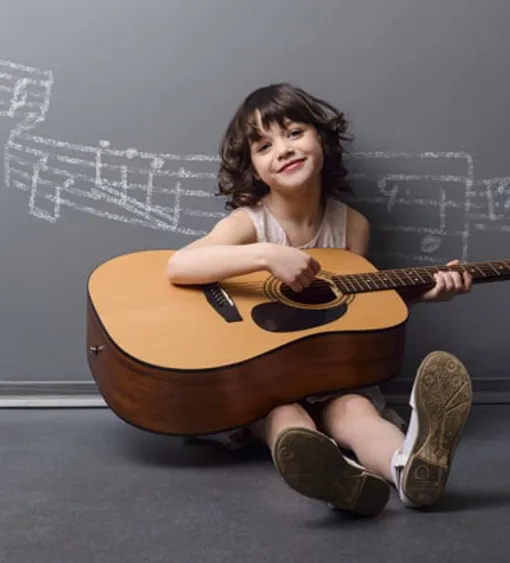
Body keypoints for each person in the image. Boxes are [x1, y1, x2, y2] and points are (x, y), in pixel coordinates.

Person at [166, 83, 474, 516]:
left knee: (355, 412)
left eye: (294, 133)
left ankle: (408, 467)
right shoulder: (248, 225)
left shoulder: (352, 227)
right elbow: (179, 266)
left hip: (328, 366)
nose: (283, 150)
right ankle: (331, 474)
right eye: (263, 145)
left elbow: (351, 308)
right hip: (263, 372)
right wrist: (267, 254)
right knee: (286, 418)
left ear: (321, 139)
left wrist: (422, 295)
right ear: (253, 167)